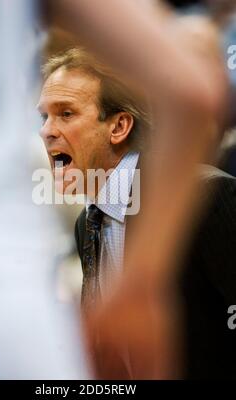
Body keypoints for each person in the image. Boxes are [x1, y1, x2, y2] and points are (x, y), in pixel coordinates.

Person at [38, 47, 236, 379]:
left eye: (66, 113)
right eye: (44, 115)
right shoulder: (87, 224)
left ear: (119, 127)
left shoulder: (205, 197)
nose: (46, 130)